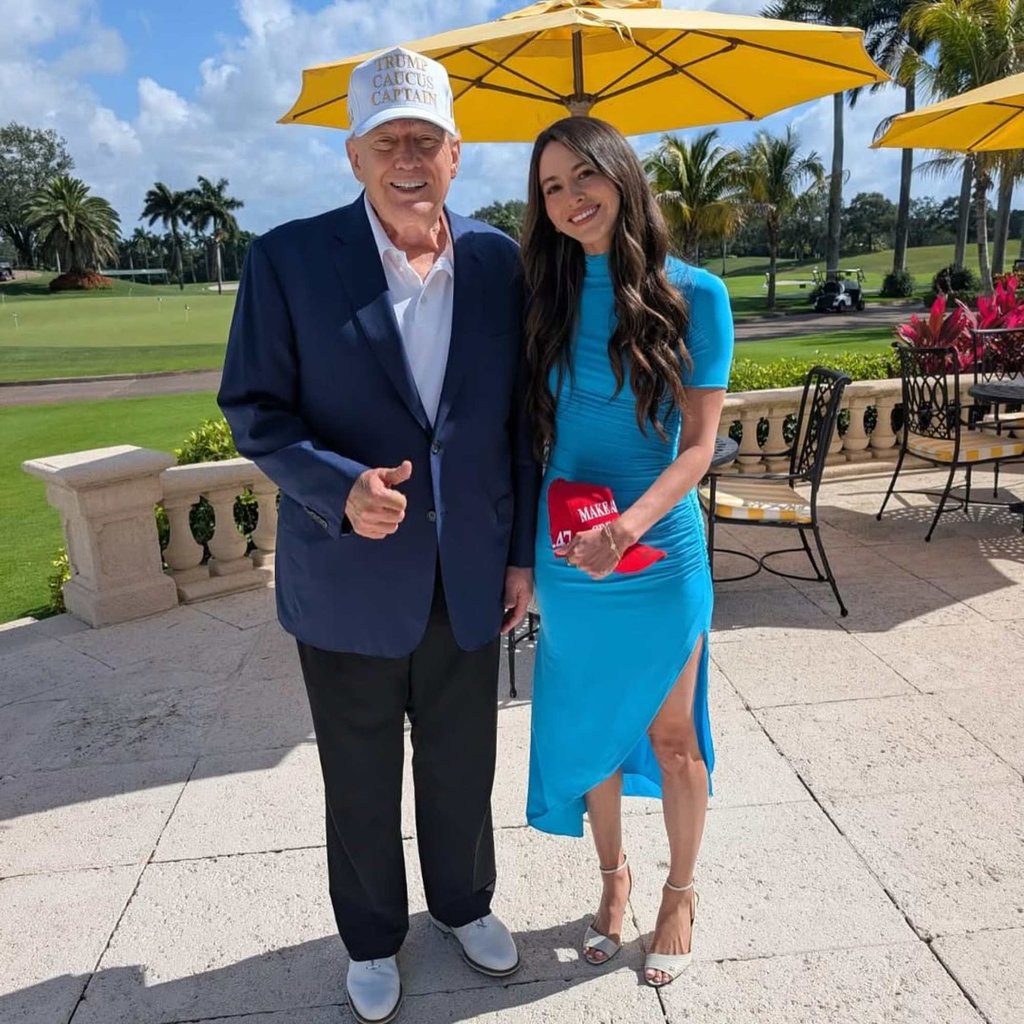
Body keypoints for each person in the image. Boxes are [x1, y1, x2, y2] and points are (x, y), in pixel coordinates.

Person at [218, 46, 538, 1024]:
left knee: (462, 759)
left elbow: (518, 424)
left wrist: (520, 555)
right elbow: (254, 408)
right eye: (386, 140)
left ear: (456, 153)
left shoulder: (499, 261)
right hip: (346, 574)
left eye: (425, 140)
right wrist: (338, 487)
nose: (407, 158)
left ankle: (464, 903)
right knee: (357, 774)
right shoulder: (287, 260)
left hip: (468, 570)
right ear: (352, 154)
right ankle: (369, 936)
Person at [521, 117, 733, 988]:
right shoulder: (548, 296)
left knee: (674, 737)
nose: (571, 199)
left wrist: (628, 528)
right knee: (594, 731)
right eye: (551, 188)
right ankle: (614, 880)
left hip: (658, 552)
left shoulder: (698, 295)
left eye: (584, 176)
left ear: (621, 174)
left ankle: (680, 894)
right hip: (572, 553)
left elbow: (699, 446)